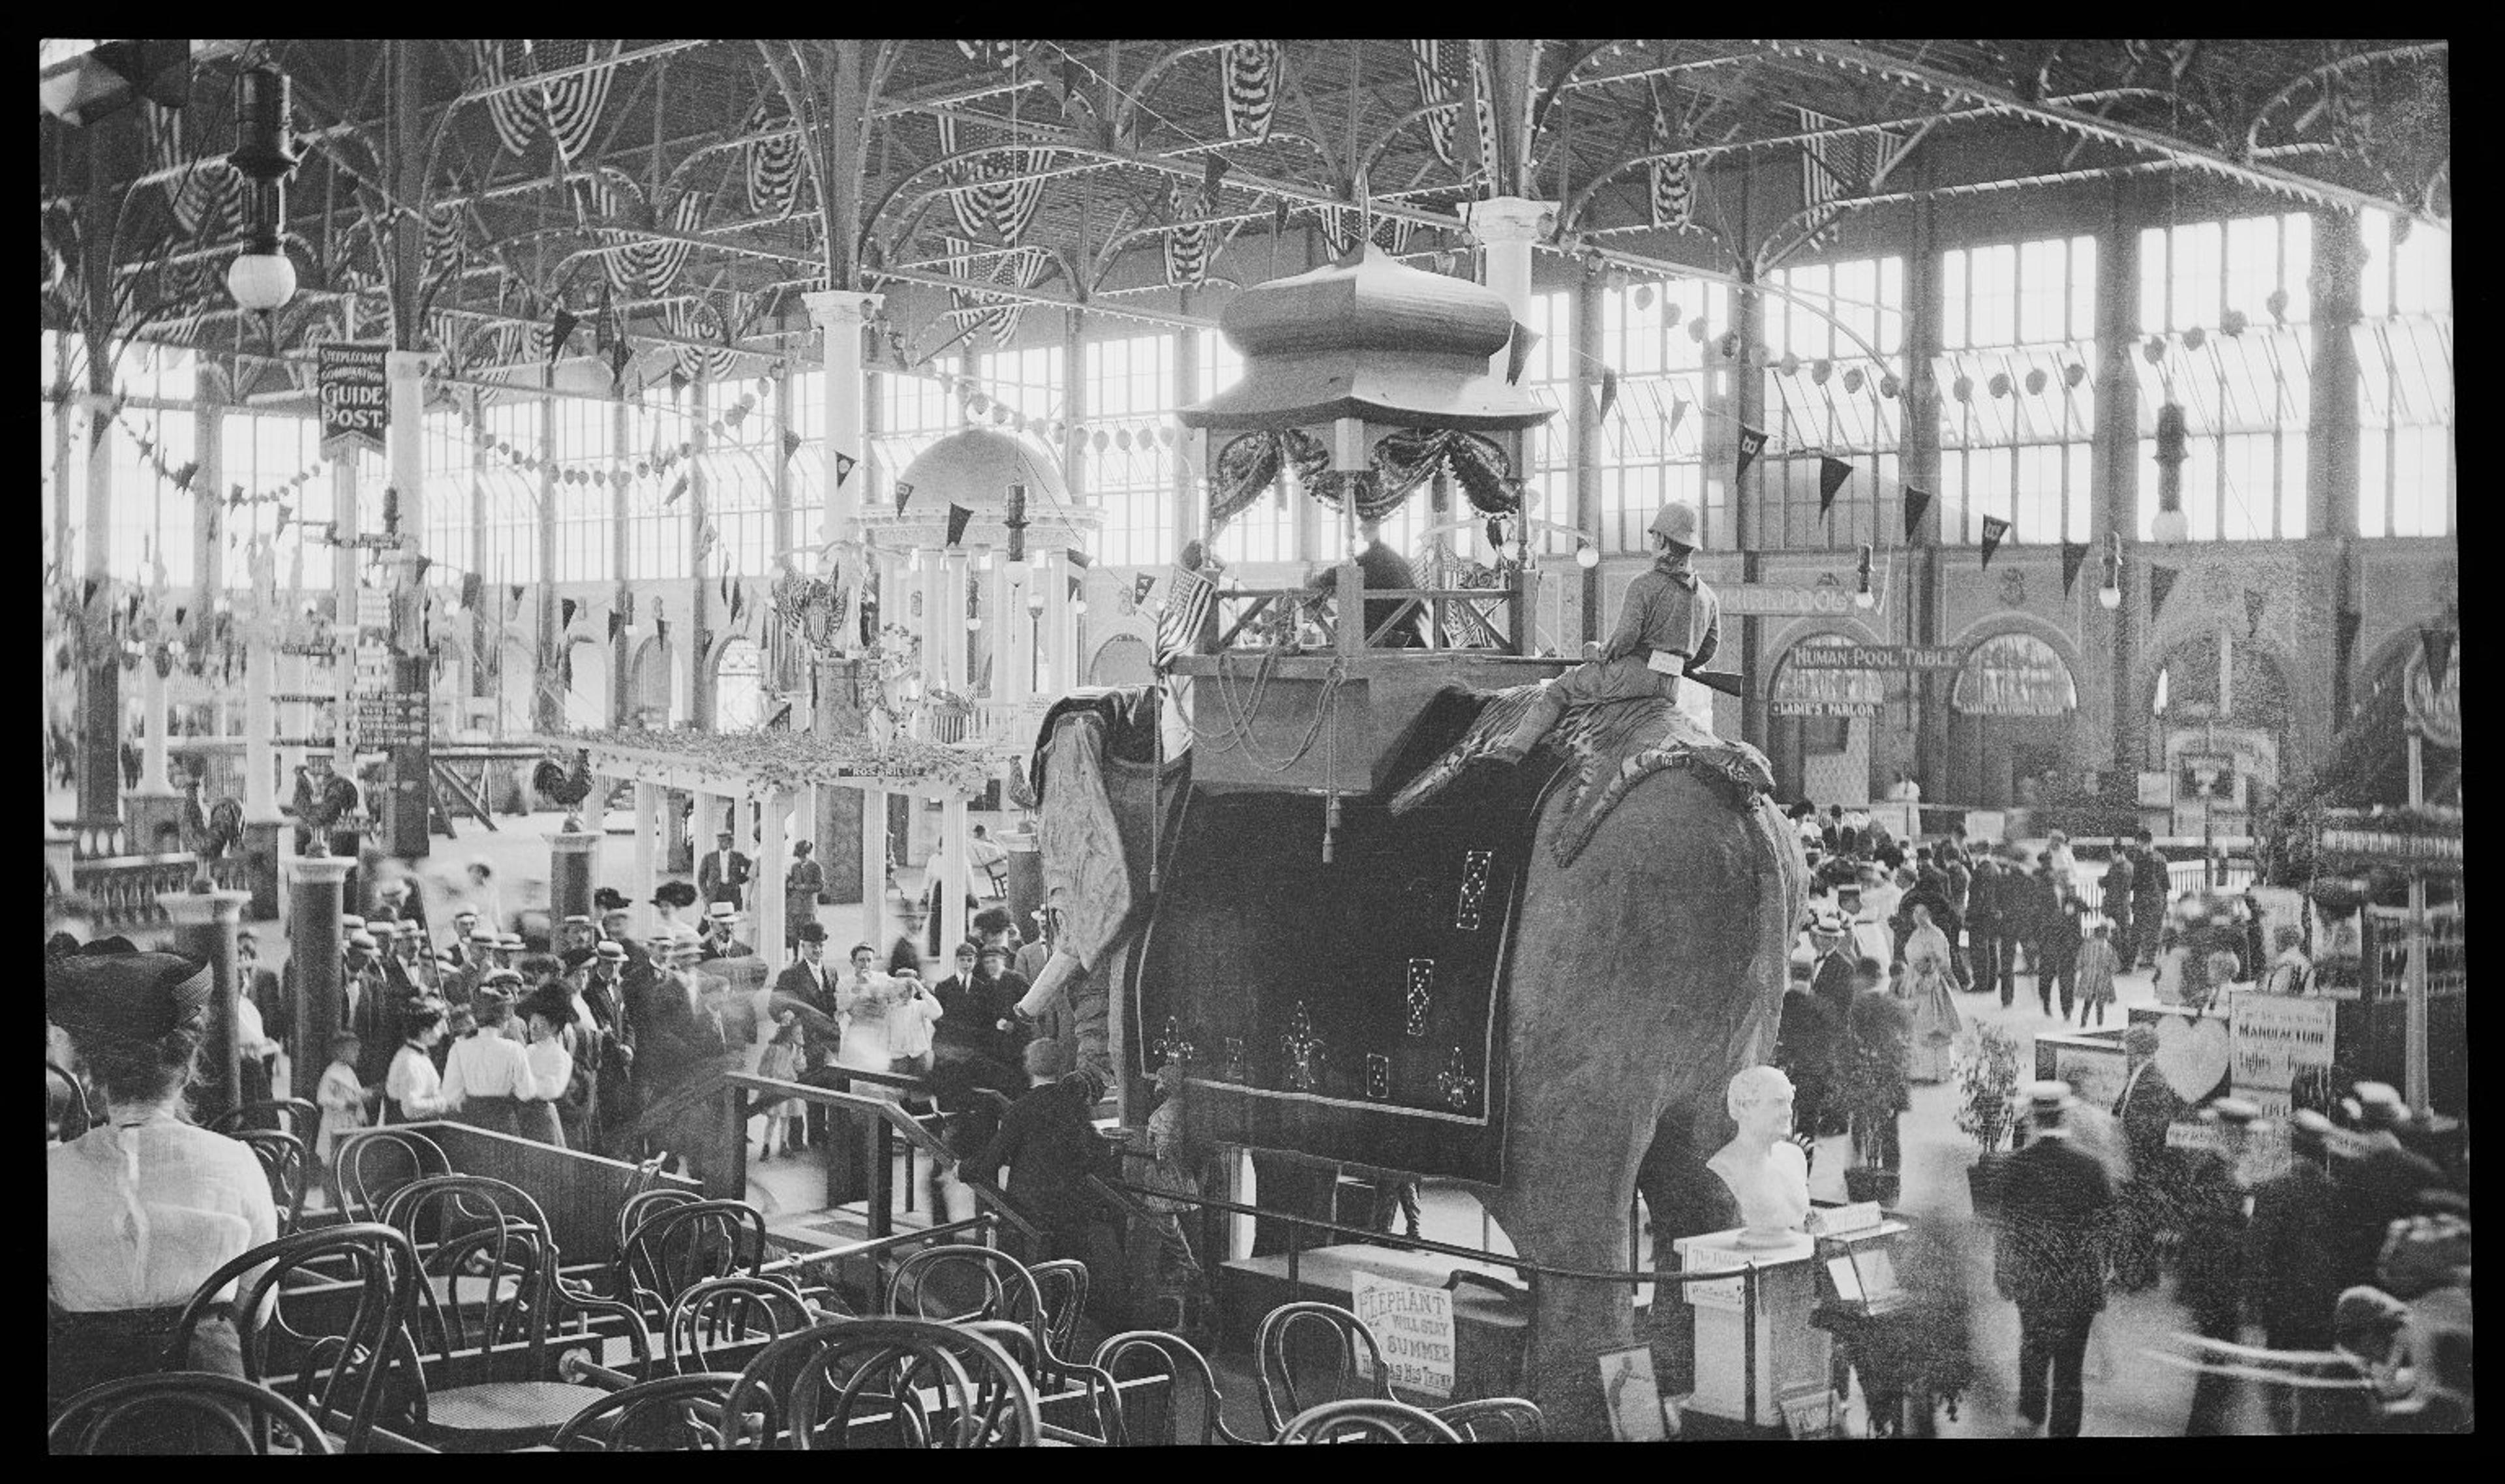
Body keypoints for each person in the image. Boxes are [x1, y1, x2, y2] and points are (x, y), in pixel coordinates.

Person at [46, 944, 279, 1417]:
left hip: (85, 1413)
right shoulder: (237, 1162)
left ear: (93, 1072)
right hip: (215, 1413)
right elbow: (257, 1308)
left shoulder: (54, 1174)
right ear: (189, 1063)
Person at [1487, 500, 1718, 765]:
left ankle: (1513, 751)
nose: (1652, 542)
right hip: (1670, 686)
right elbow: (1708, 650)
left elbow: (1624, 640)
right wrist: (1676, 661)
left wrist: (1599, 651)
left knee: (1556, 691)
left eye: (1655, 537)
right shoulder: (1708, 597)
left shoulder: (1644, 585)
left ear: (1664, 542)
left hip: (1630, 677)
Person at [1994, 1081, 2116, 1438]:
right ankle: (2064, 1431)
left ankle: (2030, 1418)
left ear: (2033, 1118)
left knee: (2032, 1350)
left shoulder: (2016, 1166)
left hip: (2034, 1282)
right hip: (2078, 1287)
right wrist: (2100, 1276)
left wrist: (2003, 1274)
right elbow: (2107, 1228)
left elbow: (2008, 1227)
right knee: (2070, 1368)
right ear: (2065, 1116)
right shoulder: (2091, 1167)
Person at [970, 1038, 1123, 1286]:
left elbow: (991, 1162)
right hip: (1069, 1207)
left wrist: (963, 1169)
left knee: (1031, 1277)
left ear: (1028, 1066)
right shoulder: (1073, 1105)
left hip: (1029, 1209)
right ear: (1061, 1065)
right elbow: (1095, 1151)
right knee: (1065, 1277)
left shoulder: (1022, 1108)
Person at [2245, 1110, 2355, 1433]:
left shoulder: (2271, 1189)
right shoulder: (2337, 1193)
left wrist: (2252, 1300)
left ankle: (2281, 1429)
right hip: (2322, 1302)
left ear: (2292, 1144)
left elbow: (2257, 1249)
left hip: (2280, 1302)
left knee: (2278, 1379)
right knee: (2313, 1384)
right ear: (2323, 1150)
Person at [2178, 1098, 2264, 1435]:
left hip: (2216, 1281)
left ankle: (2206, 1426)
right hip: (2216, 1283)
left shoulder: (2221, 1170)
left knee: (2218, 1367)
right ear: (2229, 1133)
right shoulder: (2216, 1172)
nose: (2247, 1142)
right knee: (2216, 1368)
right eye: (2243, 1135)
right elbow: (2213, 1235)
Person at [1306, 516, 1426, 648]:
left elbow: (1352, 566)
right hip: (1400, 623)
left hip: (1395, 626)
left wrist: (1319, 582)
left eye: (1364, 529)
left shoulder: (1379, 555)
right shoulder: (1385, 554)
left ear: (1372, 529)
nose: (1361, 532)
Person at [440, 977, 536, 1137]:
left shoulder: (459, 1048)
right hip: (504, 1122)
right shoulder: (514, 1049)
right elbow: (527, 1092)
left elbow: (450, 1095)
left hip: (470, 1124)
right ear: (505, 1018)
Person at [1842, 958, 1911, 1174]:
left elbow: (1852, 1043)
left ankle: (1858, 1170)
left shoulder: (1858, 1006)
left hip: (1866, 1076)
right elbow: (1906, 1036)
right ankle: (1892, 1175)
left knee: (1860, 1126)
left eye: (1857, 978)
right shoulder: (1895, 1003)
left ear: (1864, 979)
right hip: (1892, 1076)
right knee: (1890, 1129)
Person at [1900, 903, 1961, 1084]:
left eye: (1923, 914)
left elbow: (1943, 961)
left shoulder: (1937, 935)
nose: (1919, 918)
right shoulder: (1915, 936)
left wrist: (1930, 968)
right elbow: (1910, 956)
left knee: (1935, 1026)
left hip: (1933, 986)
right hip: (1915, 982)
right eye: (1916, 914)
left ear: (1929, 915)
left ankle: (1941, 1072)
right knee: (1916, 1027)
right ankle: (1921, 1072)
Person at [516, 985, 579, 1149]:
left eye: (540, 1024)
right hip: (522, 1116)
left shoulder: (561, 1056)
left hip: (542, 1117)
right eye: (532, 1023)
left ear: (554, 1028)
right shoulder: (528, 1050)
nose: (533, 1028)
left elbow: (552, 1089)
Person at [312, 1031, 369, 1185]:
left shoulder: (348, 1071)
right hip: (336, 1121)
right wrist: (344, 1104)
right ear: (342, 1052)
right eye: (354, 1050)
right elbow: (322, 1098)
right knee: (333, 1159)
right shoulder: (331, 1074)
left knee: (347, 1158)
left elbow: (356, 1092)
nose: (357, 1054)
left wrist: (364, 1097)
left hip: (349, 1121)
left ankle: (343, 1191)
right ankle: (332, 1194)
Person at [755, 1012, 809, 1158]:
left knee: (786, 1119)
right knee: (773, 1119)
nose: (799, 1035)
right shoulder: (775, 1048)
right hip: (776, 1086)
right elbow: (763, 1068)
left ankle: (783, 1144)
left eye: (800, 1033)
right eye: (796, 1033)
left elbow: (800, 1067)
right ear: (788, 1033)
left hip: (789, 1086)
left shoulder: (795, 1049)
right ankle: (766, 1145)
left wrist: (800, 1053)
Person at [384, 1006, 451, 1123]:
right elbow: (411, 1109)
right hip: (410, 1131)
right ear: (424, 1031)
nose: (444, 1031)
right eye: (439, 1027)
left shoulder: (418, 1055)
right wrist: (445, 1102)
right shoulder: (410, 1061)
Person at [1967, 844, 2009, 1005]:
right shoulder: (1996, 869)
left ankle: (1980, 983)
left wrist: (1970, 916)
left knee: (1979, 950)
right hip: (1995, 915)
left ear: (1978, 853)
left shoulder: (1979, 872)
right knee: (1992, 948)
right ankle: (1992, 983)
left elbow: (1976, 898)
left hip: (1981, 915)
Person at [2038, 892, 2085, 1021]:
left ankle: (2067, 1010)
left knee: (2067, 985)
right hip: (2053, 955)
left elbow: (2078, 941)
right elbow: (2047, 937)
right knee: (2047, 982)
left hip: (2068, 957)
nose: (2070, 909)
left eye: (2072, 907)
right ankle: (2047, 1005)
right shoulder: (2056, 919)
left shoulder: (2075, 921)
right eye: (2068, 906)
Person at [2129, 830, 2171, 969]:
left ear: (2144, 843)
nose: (2137, 847)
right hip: (2159, 900)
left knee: (2140, 929)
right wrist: (2165, 902)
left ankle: (2140, 958)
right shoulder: (2161, 858)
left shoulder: (2142, 859)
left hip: (2144, 900)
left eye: (2138, 844)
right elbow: (2166, 884)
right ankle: (2150, 958)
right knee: (2155, 930)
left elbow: (2137, 882)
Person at [2072, 920, 2121, 1027]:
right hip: (2102, 980)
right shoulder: (2108, 948)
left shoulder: (2086, 945)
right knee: (2100, 1006)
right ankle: (2099, 1027)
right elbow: (2115, 967)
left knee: (2087, 1004)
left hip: (2089, 979)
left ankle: (2083, 1025)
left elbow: (2078, 963)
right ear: (2105, 934)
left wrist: (2084, 969)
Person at [783, 838, 826, 954]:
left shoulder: (816, 867)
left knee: (809, 933)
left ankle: (808, 955)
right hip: (795, 906)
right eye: (800, 856)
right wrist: (790, 884)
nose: (801, 858)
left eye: (804, 855)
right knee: (794, 933)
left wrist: (805, 887)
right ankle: (796, 956)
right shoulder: (795, 867)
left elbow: (820, 886)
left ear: (808, 853)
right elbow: (792, 884)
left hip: (808, 906)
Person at [697, 829, 752, 909]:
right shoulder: (709, 857)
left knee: (732, 918)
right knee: (715, 918)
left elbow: (751, 867)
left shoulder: (738, 857)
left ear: (729, 842)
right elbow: (701, 878)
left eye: (723, 841)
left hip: (732, 893)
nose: (720, 843)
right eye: (719, 841)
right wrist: (705, 894)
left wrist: (741, 879)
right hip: (715, 893)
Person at [2097, 847, 2134, 958]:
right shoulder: (2130, 867)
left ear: (2119, 854)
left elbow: (2106, 882)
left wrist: (2100, 880)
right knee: (2123, 933)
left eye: (2113, 855)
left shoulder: (2117, 868)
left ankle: (2118, 960)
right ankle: (2124, 961)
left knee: (2116, 934)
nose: (2112, 857)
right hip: (2124, 904)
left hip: (2114, 905)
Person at [2260, 926, 2313, 997]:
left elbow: (2269, 989)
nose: (2275, 943)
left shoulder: (2281, 962)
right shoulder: (2306, 963)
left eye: (2278, 939)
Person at [967, 824, 1010, 900]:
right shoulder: (980, 845)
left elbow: (1002, 851)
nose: (988, 835)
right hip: (997, 868)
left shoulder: (988, 843)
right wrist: (999, 857)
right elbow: (984, 861)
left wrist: (993, 842)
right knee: (1018, 867)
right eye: (986, 833)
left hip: (1002, 864)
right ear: (983, 834)